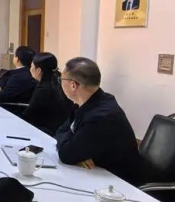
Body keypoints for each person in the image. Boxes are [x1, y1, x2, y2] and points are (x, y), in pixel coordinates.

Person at [56, 57, 145, 186]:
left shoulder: (101, 116)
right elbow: (61, 131)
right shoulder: (92, 101)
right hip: (98, 173)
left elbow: (65, 154)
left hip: (118, 184)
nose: (60, 84)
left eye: (61, 80)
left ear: (73, 85)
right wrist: (77, 151)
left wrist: (74, 150)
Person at [22, 52, 73, 136]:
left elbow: (29, 115)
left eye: (31, 66)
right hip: (63, 129)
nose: (30, 69)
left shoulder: (43, 89)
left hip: (46, 132)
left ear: (38, 70)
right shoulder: (60, 80)